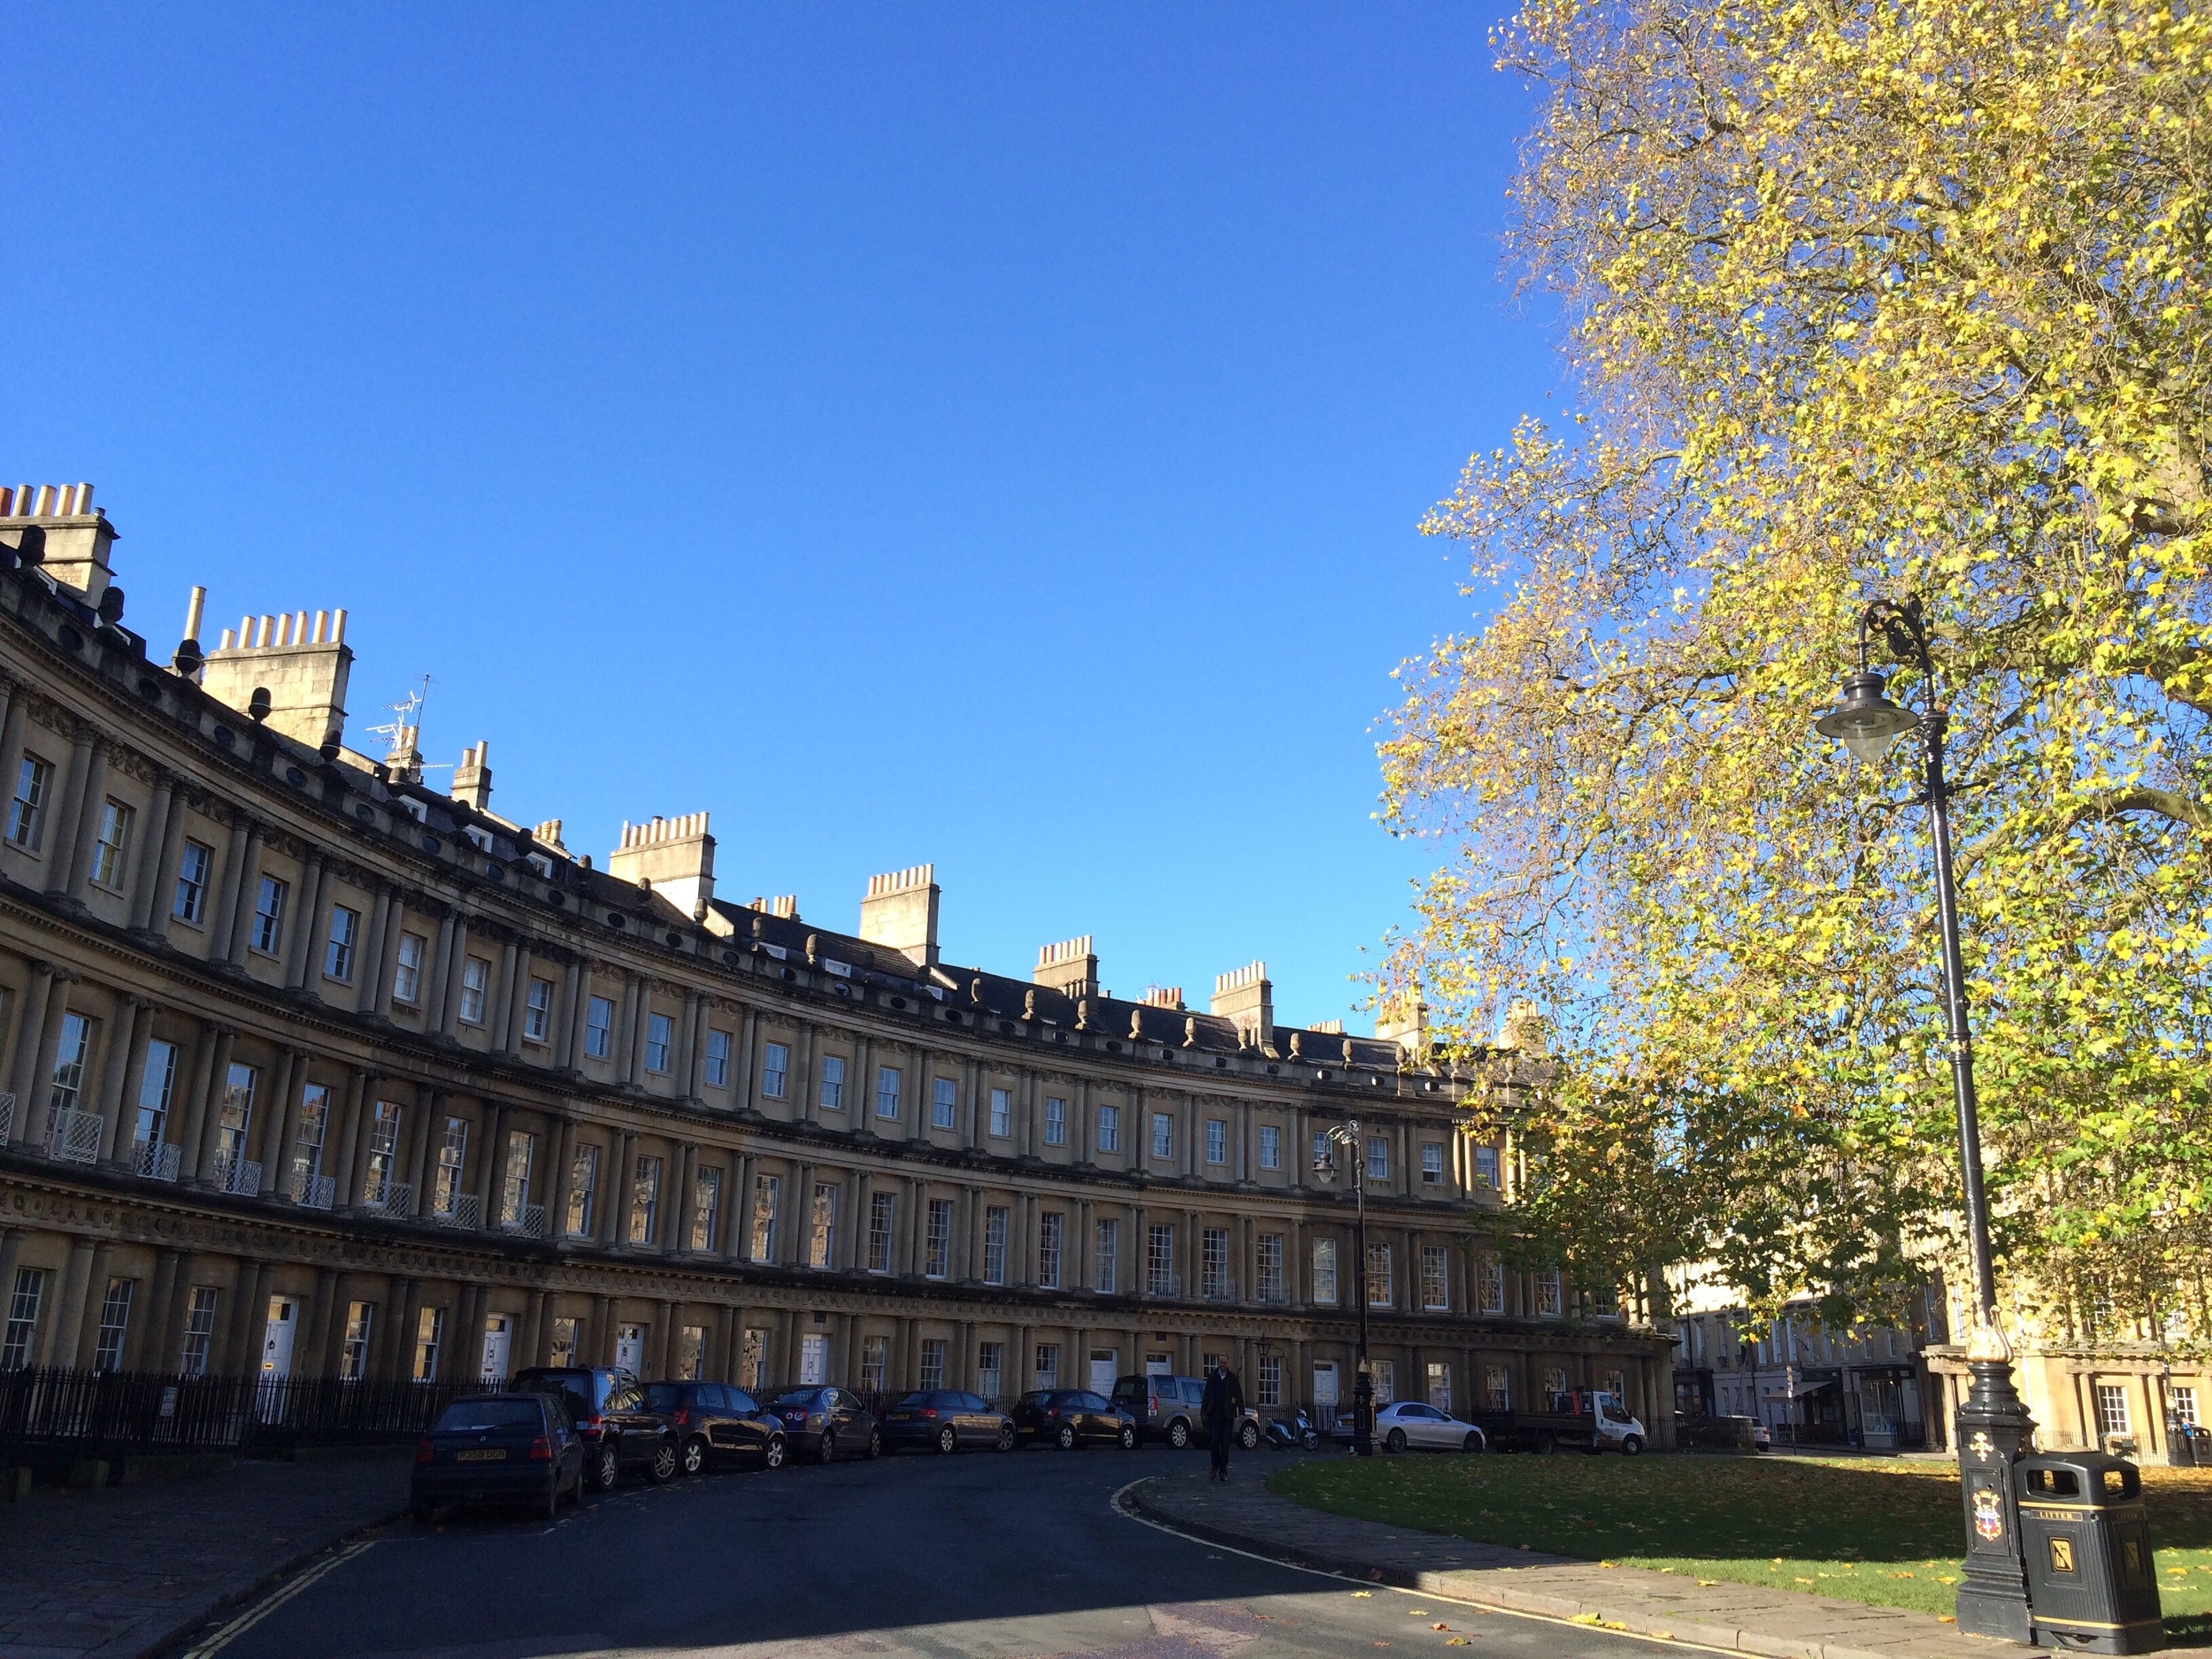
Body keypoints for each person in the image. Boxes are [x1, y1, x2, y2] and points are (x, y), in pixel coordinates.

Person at [1201, 1359, 1245, 1483]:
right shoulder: (1212, 1377)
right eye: (1220, 1362)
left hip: (1228, 1416)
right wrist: (1203, 1411)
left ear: (1228, 1363)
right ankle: (1215, 1465)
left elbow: (1239, 1395)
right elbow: (1206, 1395)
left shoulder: (1232, 1378)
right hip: (1215, 1415)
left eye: (1224, 1362)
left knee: (1225, 1444)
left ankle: (1223, 1471)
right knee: (1214, 1442)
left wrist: (1241, 1412)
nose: (1222, 1365)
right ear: (1218, 1363)